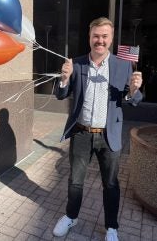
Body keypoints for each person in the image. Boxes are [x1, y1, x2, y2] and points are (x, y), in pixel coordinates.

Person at [53, 17, 143, 241]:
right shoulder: (78, 63)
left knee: (110, 184)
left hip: (108, 135)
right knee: (75, 181)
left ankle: (112, 227)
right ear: (89, 37)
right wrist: (64, 79)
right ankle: (71, 216)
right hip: (82, 133)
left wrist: (133, 90)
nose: (99, 40)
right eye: (96, 36)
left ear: (111, 39)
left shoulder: (123, 66)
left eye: (104, 36)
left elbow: (135, 99)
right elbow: (60, 94)